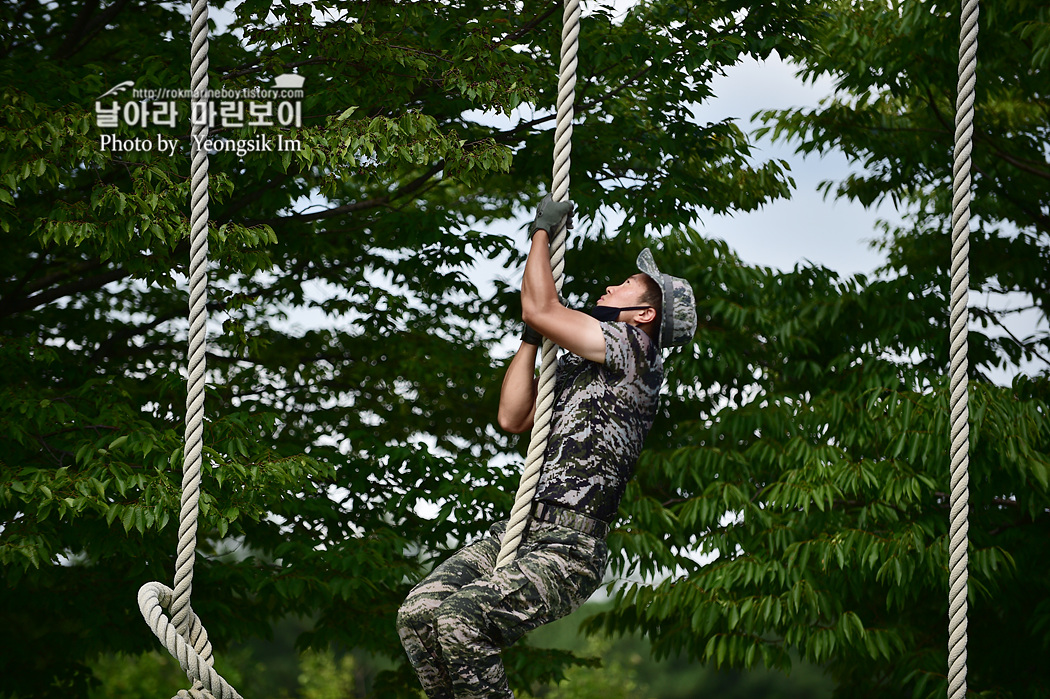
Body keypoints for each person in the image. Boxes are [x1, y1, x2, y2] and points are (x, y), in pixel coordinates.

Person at [396, 195, 697, 699]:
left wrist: (540, 233)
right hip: (522, 528)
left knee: (461, 620)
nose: (610, 286)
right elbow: (513, 416)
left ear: (644, 313)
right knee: (420, 614)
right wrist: (531, 338)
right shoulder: (587, 365)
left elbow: (541, 303)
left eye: (626, 285)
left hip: (567, 548)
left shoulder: (636, 352)